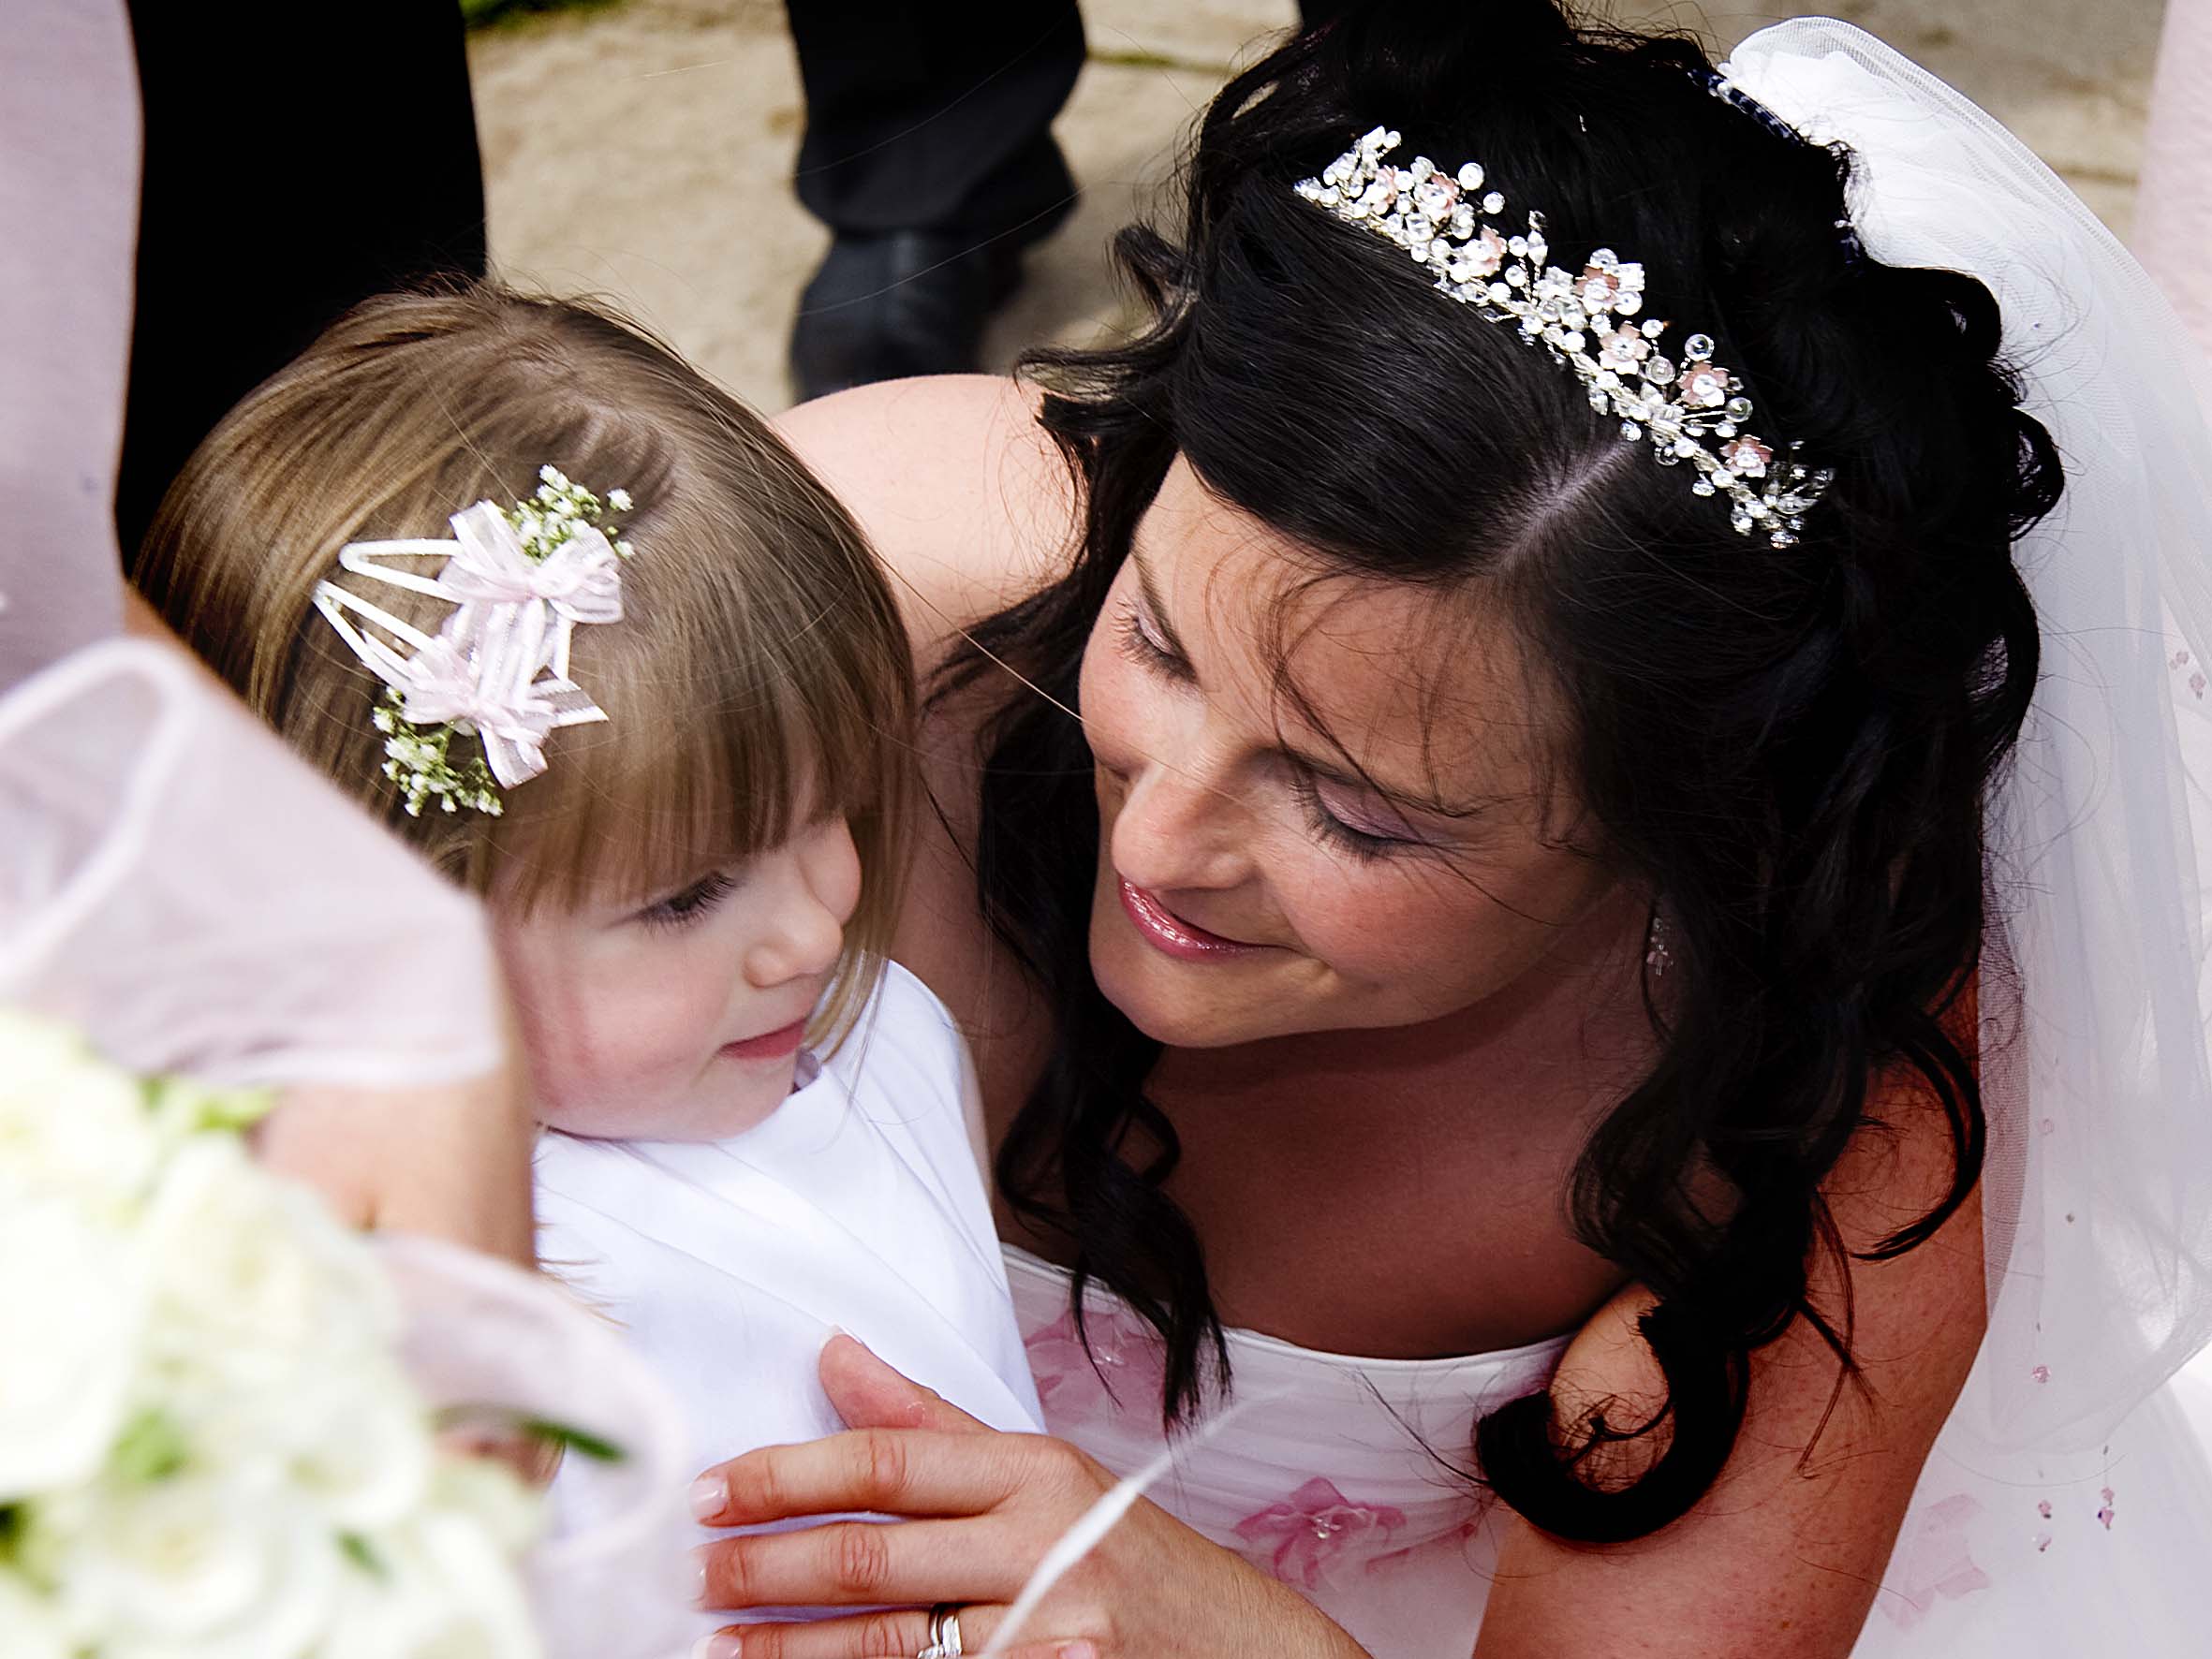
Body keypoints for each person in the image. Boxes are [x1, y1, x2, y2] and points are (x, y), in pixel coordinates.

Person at [685, 5, 2212, 1656]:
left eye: (1357, 811)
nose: (1168, 842)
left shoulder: (1811, 1119)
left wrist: (1214, 1634)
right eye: (1159, 644)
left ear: (1675, 838)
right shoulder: (861, 603)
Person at [129, 285, 1044, 1633]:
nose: (813, 927)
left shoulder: (880, 1040)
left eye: (835, 807)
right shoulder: (449, 1313)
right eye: (688, 898)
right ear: (376, 910)